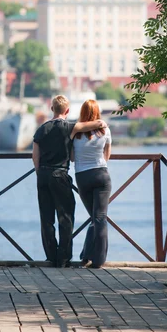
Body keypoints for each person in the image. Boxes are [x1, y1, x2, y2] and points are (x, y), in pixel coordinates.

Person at [32, 95, 106, 267]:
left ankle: (51, 255)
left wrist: (40, 174)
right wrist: (101, 124)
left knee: (46, 218)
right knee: (65, 217)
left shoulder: (40, 130)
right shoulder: (70, 127)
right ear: (67, 111)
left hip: (43, 175)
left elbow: (35, 156)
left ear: (51, 109)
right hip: (60, 175)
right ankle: (63, 258)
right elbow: (93, 125)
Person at [71, 99, 112, 268]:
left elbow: (72, 158)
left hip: (82, 177)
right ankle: (98, 259)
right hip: (101, 175)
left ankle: (86, 255)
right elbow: (107, 155)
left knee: (94, 218)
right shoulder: (105, 130)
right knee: (100, 218)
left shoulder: (75, 132)